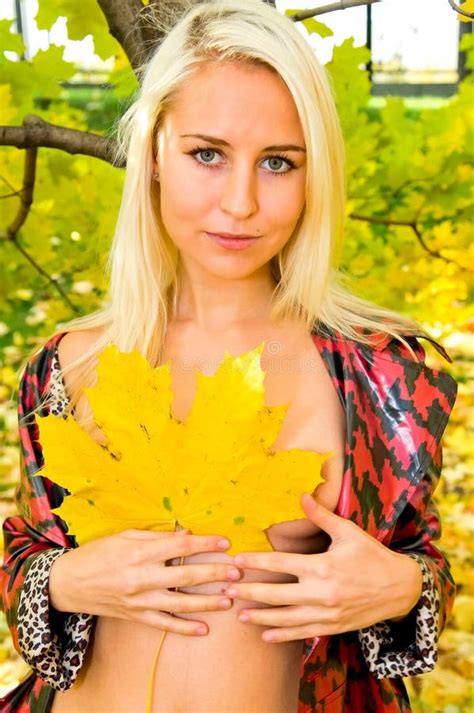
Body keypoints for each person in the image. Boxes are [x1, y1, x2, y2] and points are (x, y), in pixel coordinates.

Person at [0, 1, 458, 712]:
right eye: (207, 154)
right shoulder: (68, 368)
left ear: (315, 177)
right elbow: (27, 556)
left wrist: (401, 587)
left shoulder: (379, 376)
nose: (239, 203)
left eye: (278, 163)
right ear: (154, 152)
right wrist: (61, 583)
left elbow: (422, 576)